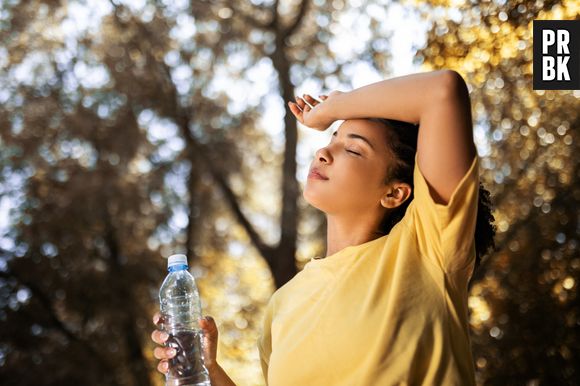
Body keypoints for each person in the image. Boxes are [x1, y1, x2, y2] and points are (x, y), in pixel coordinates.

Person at [151, 69, 497, 385]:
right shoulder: (283, 305)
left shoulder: (427, 249)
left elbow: (442, 90)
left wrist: (335, 107)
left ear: (394, 193)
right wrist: (208, 368)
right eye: (332, 138)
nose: (324, 152)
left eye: (354, 149)